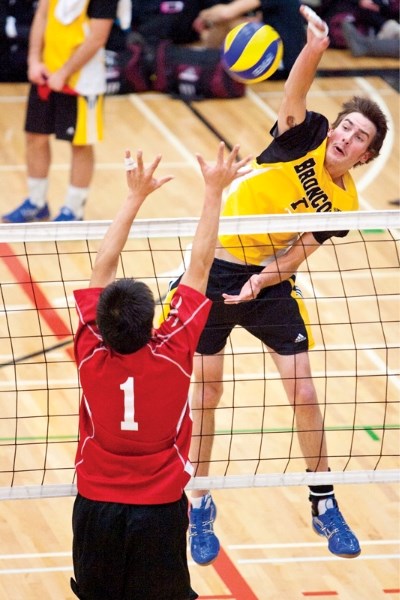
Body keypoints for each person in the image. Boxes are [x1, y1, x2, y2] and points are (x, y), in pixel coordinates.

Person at [178, 4, 389, 566]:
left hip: (267, 284)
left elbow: (297, 254)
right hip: (215, 270)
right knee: (207, 394)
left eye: (358, 135)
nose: (346, 135)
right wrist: (313, 49)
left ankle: (323, 501)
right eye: (346, 125)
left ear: (366, 156)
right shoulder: (306, 137)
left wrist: (259, 286)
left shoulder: (343, 203)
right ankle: (198, 502)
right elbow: (294, 96)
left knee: (304, 392)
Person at [70, 143, 251, 599]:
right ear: (153, 320)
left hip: (96, 507)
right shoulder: (173, 353)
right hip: (158, 510)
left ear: (103, 324)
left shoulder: (91, 354)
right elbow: (201, 266)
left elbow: (101, 266)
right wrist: (214, 192)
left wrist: (133, 197)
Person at [2, 0, 119, 224]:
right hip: (46, 72)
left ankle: (73, 210)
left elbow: (97, 38)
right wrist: (34, 60)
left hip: (82, 82)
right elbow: (42, 15)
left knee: (80, 143)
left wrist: (64, 72)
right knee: (34, 136)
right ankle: (36, 204)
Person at [193, 0, 306, 78]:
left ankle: (207, 60)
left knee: (226, 23)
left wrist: (203, 15)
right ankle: (209, 58)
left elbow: (225, 13)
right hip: (291, 64)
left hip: (278, 64)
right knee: (243, 23)